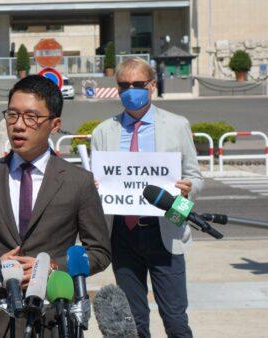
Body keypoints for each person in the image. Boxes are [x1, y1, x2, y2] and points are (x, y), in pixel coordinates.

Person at [0, 75, 112, 337]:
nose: (18, 126)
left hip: (55, 317)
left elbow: (98, 251)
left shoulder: (78, 181)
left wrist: (50, 268)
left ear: (54, 124)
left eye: (31, 118)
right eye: (12, 115)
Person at [91, 57, 203, 338]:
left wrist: (189, 188)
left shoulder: (176, 125)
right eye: (124, 85)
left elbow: (196, 176)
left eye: (138, 84)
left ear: (152, 85)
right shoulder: (103, 132)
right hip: (122, 235)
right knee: (133, 323)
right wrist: (92, 188)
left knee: (176, 321)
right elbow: (94, 183)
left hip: (165, 231)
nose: (131, 90)